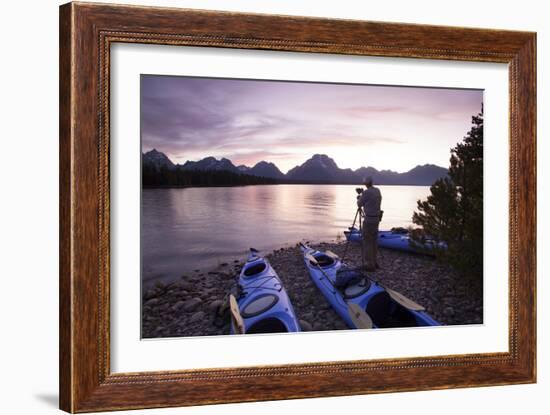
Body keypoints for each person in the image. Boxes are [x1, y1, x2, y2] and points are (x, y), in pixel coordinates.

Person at [356, 176, 382, 271]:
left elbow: (359, 204)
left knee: (367, 241)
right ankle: (374, 262)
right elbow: (371, 200)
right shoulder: (377, 190)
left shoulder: (366, 193)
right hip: (376, 220)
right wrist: (363, 195)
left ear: (365, 183)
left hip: (369, 221)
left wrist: (359, 197)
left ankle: (368, 265)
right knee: (374, 241)